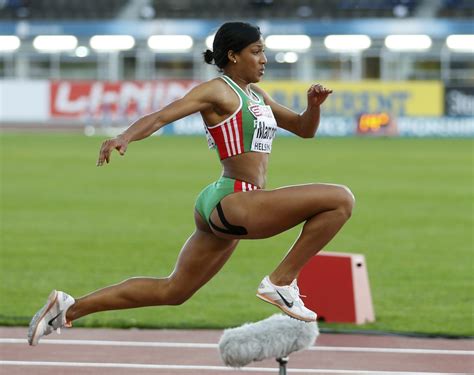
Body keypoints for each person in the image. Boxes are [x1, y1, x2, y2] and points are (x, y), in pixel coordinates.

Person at [28, 21, 354, 346]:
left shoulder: (256, 94)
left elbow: (302, 128)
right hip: (236, 200)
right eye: (256, 52)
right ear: (233, 55)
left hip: (225, 201)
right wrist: (124, 137)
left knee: (174, 291)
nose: (264, 59)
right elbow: (162, 116)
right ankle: (281, 281)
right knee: (340, 199)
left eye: (264, 52)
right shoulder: (217, 90)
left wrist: (313, 108)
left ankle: (68, 309)